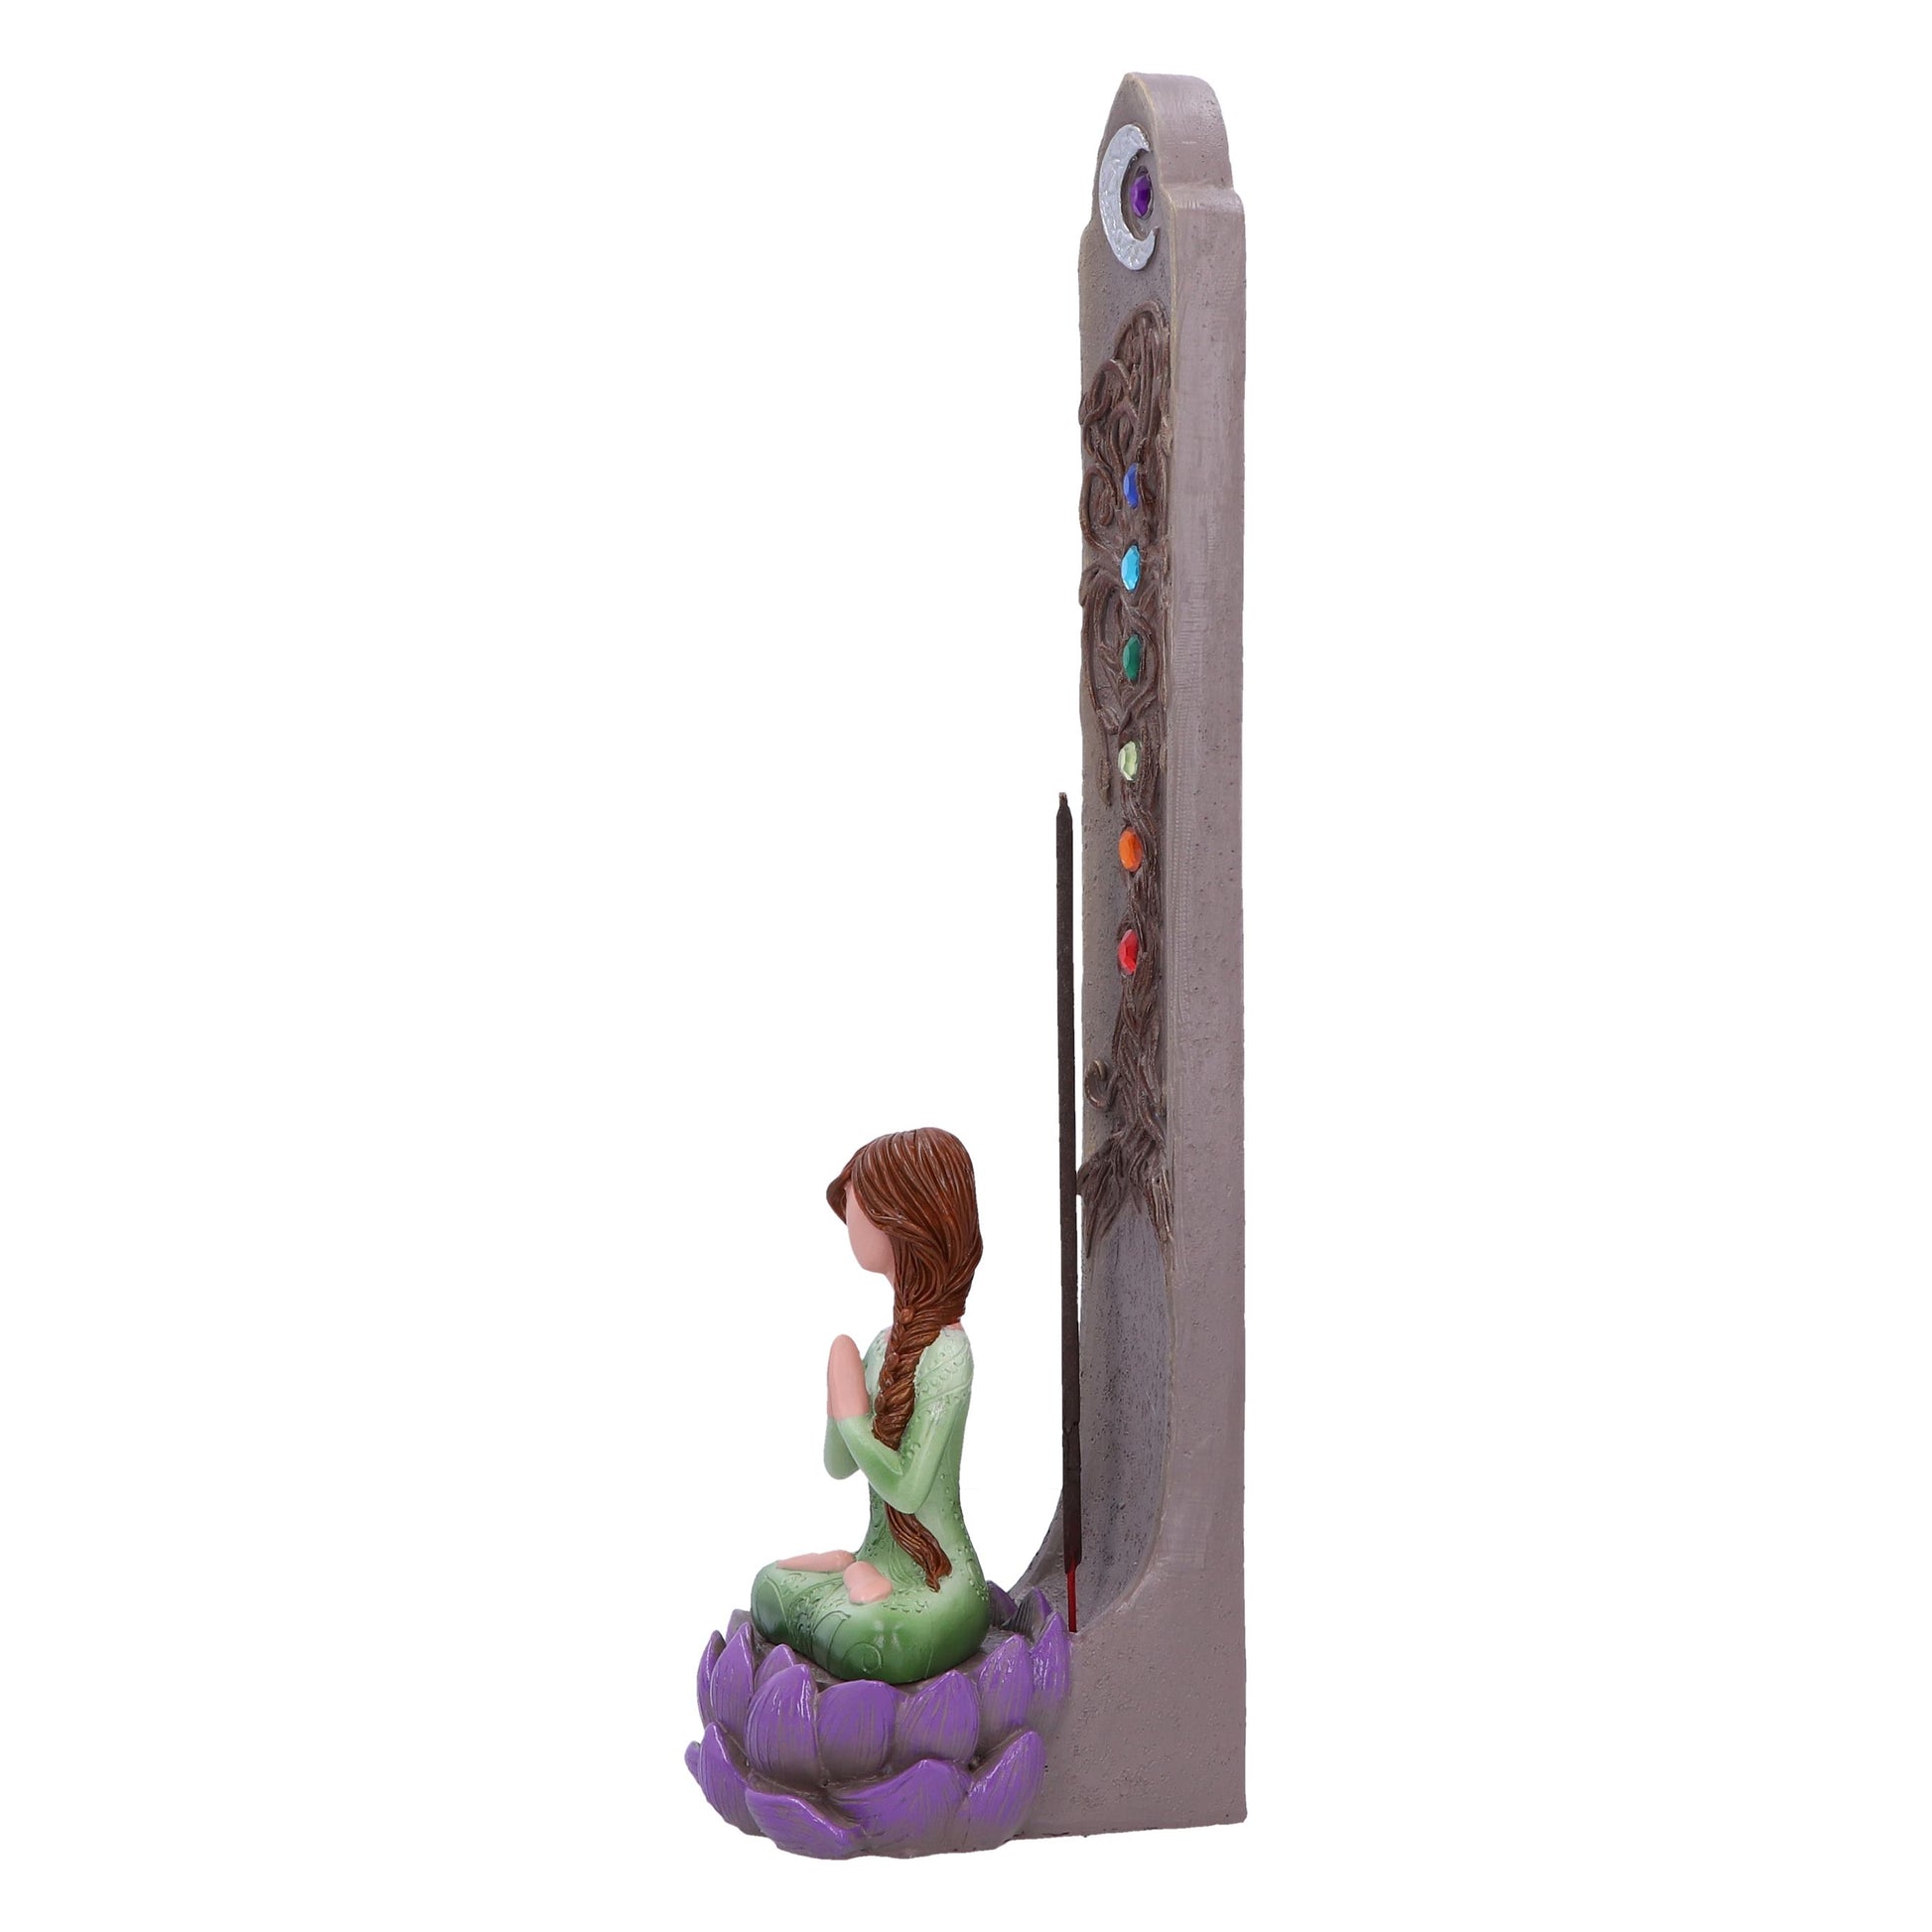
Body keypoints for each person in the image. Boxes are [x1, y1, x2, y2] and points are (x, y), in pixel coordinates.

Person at [749, 1128, 991, 1685]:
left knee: (869, 1642)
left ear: (904, 1219)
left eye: (858, 1205)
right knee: (769, 1588)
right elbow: (839, 1465)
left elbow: (906, 1489)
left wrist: (853, 1419)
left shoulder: (949, 1354)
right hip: (879, 1561)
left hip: (942, 1583)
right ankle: (857, 1573)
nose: (850, 1219)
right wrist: (839, 1392)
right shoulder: (883, 1345)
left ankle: (861, 1584)